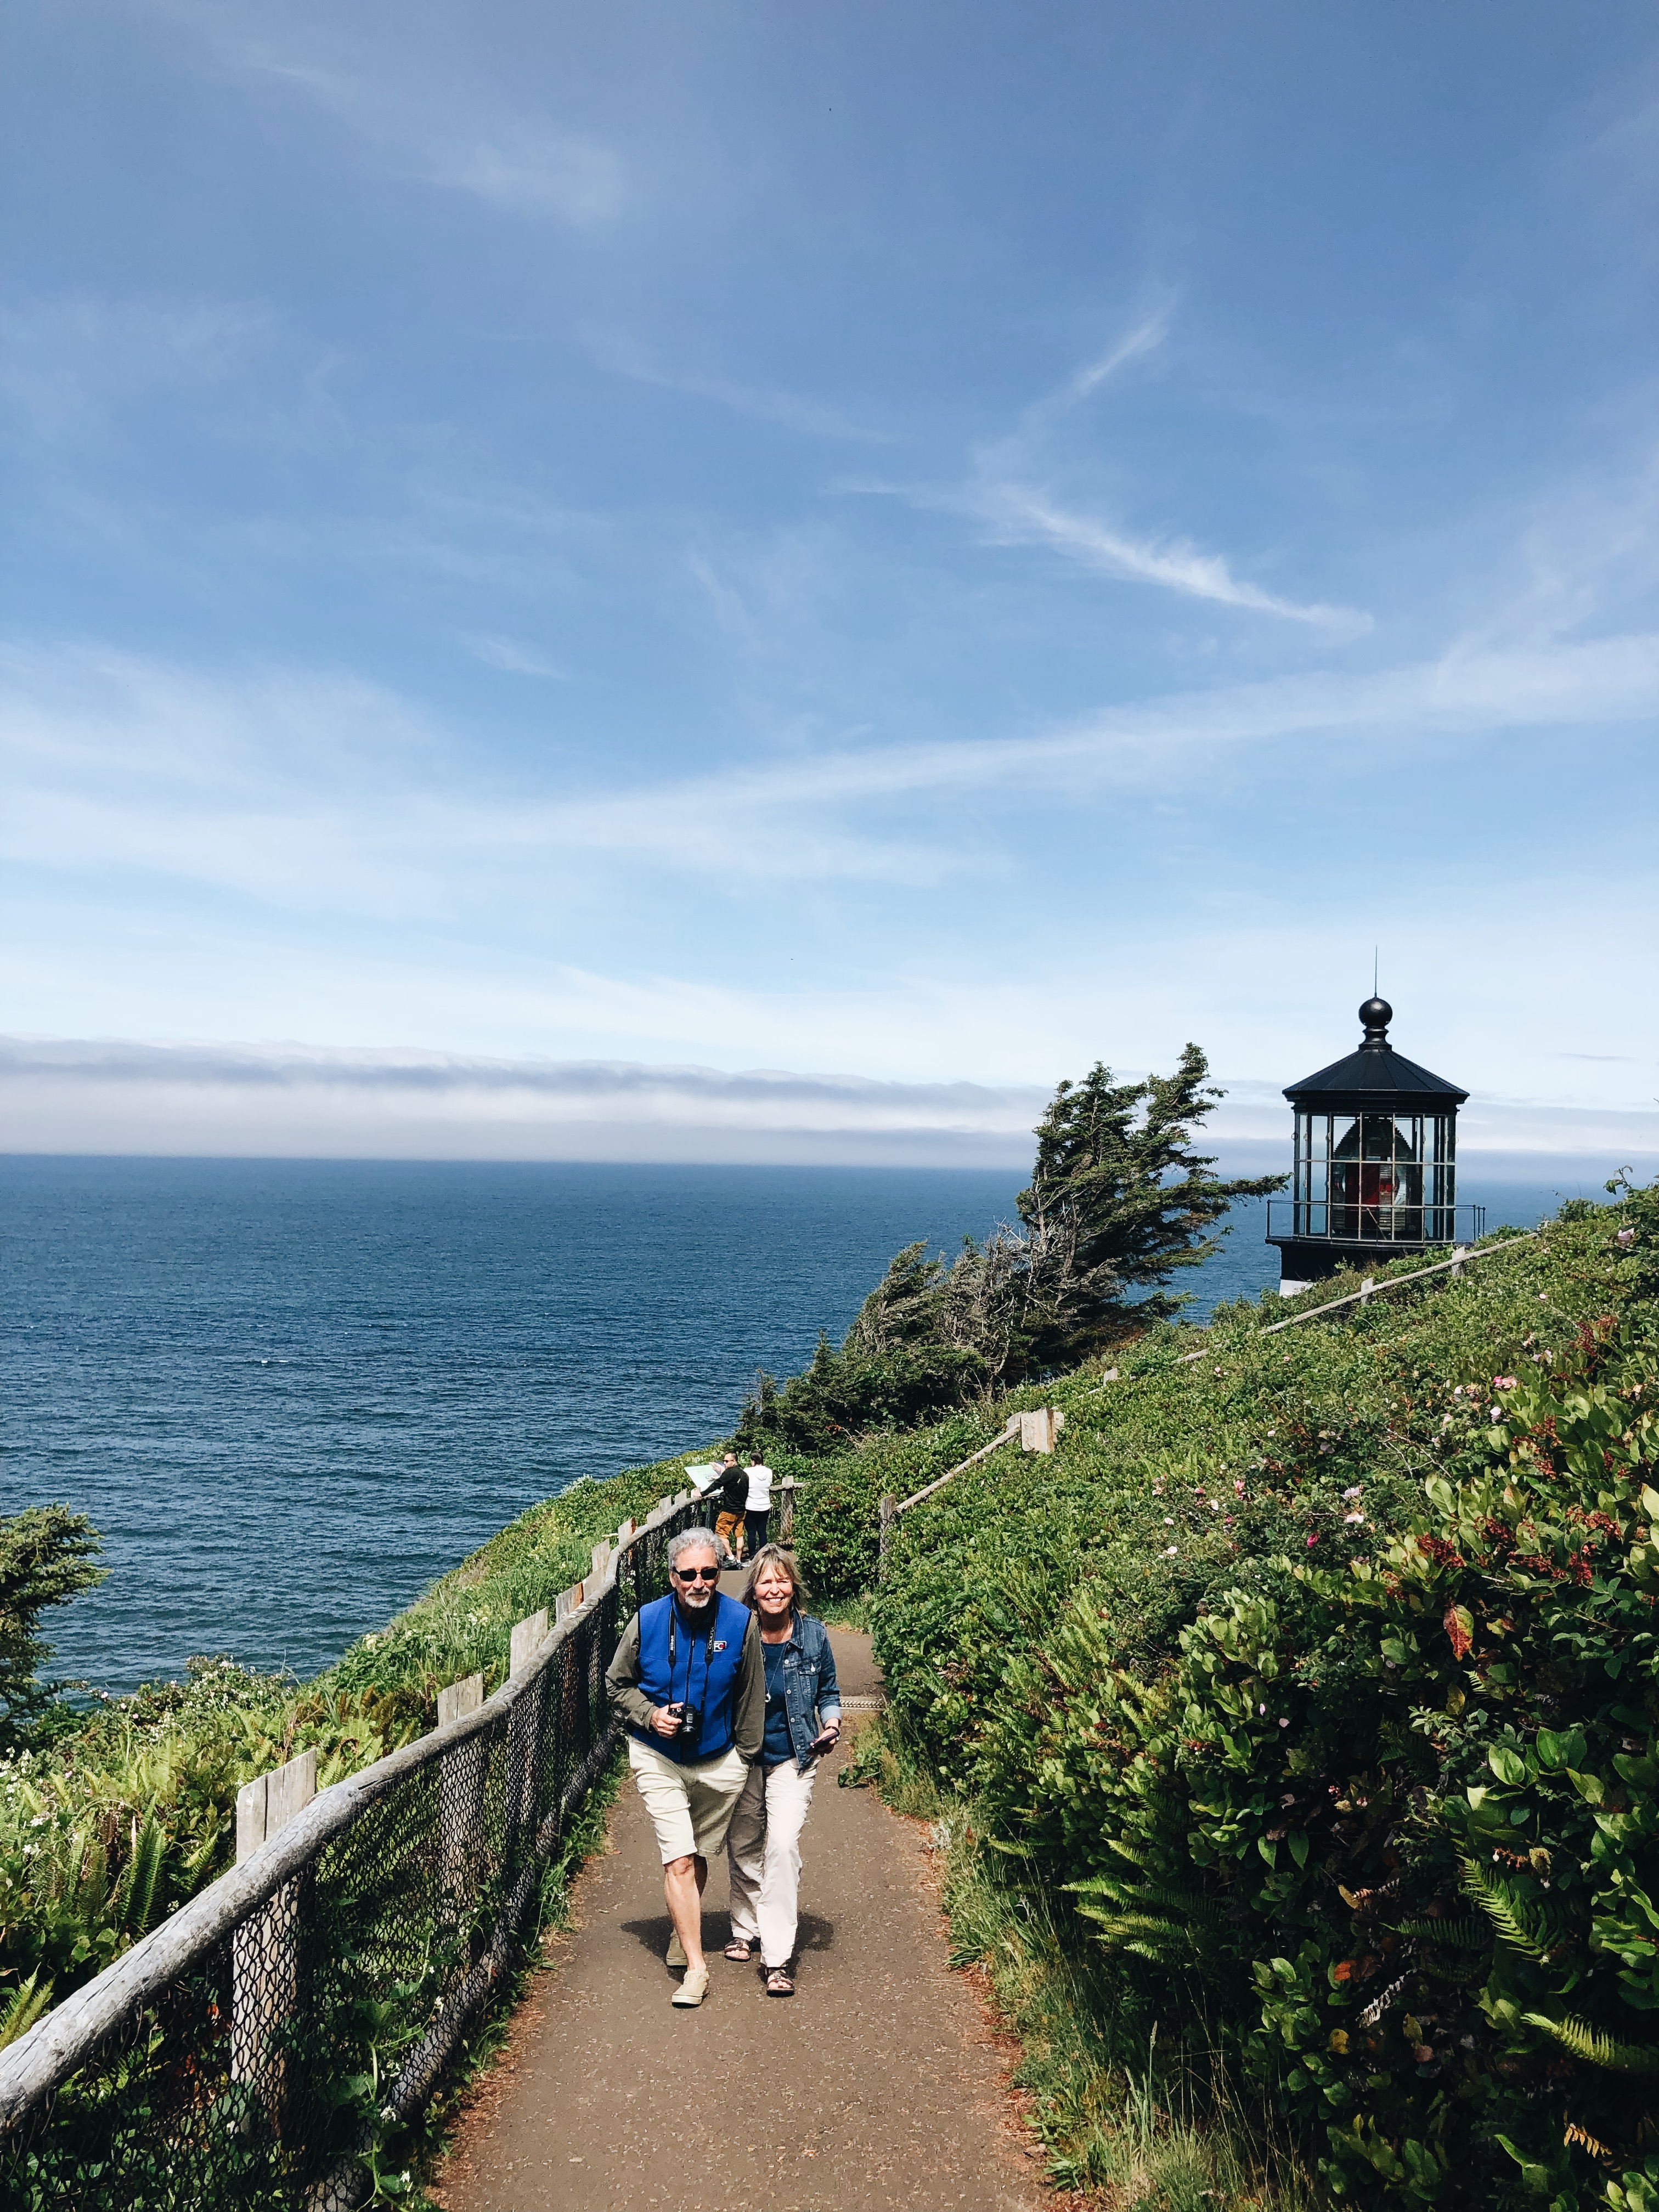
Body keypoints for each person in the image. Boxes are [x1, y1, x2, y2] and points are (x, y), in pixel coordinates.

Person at [605, 1527, 763, 2006]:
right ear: (672, 1577)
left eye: (709, 1573)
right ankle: (697, 1970)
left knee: (695, 1857)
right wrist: (651, 1716)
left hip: (720, 1761)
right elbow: (616, 1685)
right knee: (677, 1858)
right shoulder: (646, 1621)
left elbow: (751, 1696)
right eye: (689, 1574)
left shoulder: (741, 1622)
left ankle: (682, 1932)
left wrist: (745, 1758)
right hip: (658, 1756)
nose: (699, 1582)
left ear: (719, 1573)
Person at [724, 1544, 840, 1996]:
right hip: (743, 1753)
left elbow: (829, 1689)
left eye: (782, 1581)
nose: (774, 1589)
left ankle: (777, 1957)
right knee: (745, 1843)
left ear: (793, 1587)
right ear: (753, 1589)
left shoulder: (813, 1634)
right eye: (766, 1581)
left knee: (783, 1846)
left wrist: (831, 1722)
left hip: (795, 1754)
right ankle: (743, 1927)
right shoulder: (736, 1631)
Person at [713, 1451, 748, 1563]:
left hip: (729, 1510)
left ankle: (730, 1557)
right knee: (739, 1535)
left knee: (721, 1533)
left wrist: (702, 1493)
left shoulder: (729, 1473)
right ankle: (738, 1559)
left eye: (727, 1461)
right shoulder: (744, 1474)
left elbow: (717, 1484)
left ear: (734, 1461)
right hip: (742, 1510)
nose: (725, 1463)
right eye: (724, 1461)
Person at [742, 1452, 774, 1560]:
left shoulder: (747, 1471)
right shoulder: (769, 1472)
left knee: (751, 1532)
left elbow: (743, 1484)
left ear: (753, 1461)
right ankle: (764, 1554)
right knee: (762, 1532)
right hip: (765, 1505)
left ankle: (752, 1555)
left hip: (750, 1505)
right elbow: (769, 1484)